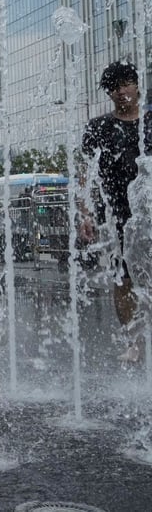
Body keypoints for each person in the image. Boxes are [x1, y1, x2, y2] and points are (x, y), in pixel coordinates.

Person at [80, 61, 152, 362]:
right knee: (123, 280)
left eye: (126, 84)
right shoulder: (98, 127)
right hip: (116, 214)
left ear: (137, 85)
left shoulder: (151, 121)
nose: (121, 91)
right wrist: (84, 214)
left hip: (148, 209)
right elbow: (84, 174)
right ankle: (135, 341)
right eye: (114, 87)